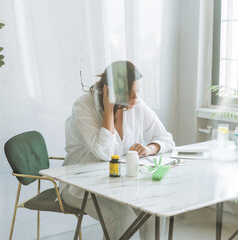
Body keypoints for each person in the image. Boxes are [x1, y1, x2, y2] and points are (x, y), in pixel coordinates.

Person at [61, 60, 175, 239]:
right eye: (130, 94)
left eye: (137, 92)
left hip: (121, 185)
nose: (136, 99)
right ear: (113, 91)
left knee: (155, 210)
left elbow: (167, 139)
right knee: (123, 218)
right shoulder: (83, 107)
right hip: (80, 187)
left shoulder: (137, 105)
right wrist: (108, 109)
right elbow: (104, 154)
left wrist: (149, 148)